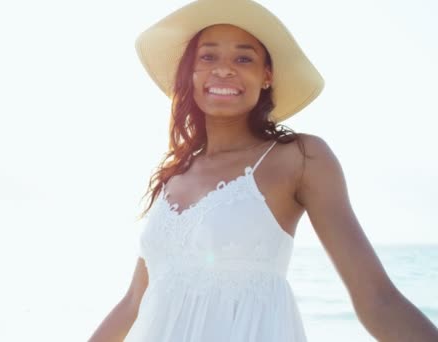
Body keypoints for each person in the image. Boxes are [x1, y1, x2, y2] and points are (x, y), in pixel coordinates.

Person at [89, 0, 438, 341]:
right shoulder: (173, 175)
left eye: (244, 58)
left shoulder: (301, 157)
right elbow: (134, 303)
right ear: (190, 73)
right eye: (208, 56)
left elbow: (377, 299)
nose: (224, 69)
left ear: (266, 76)